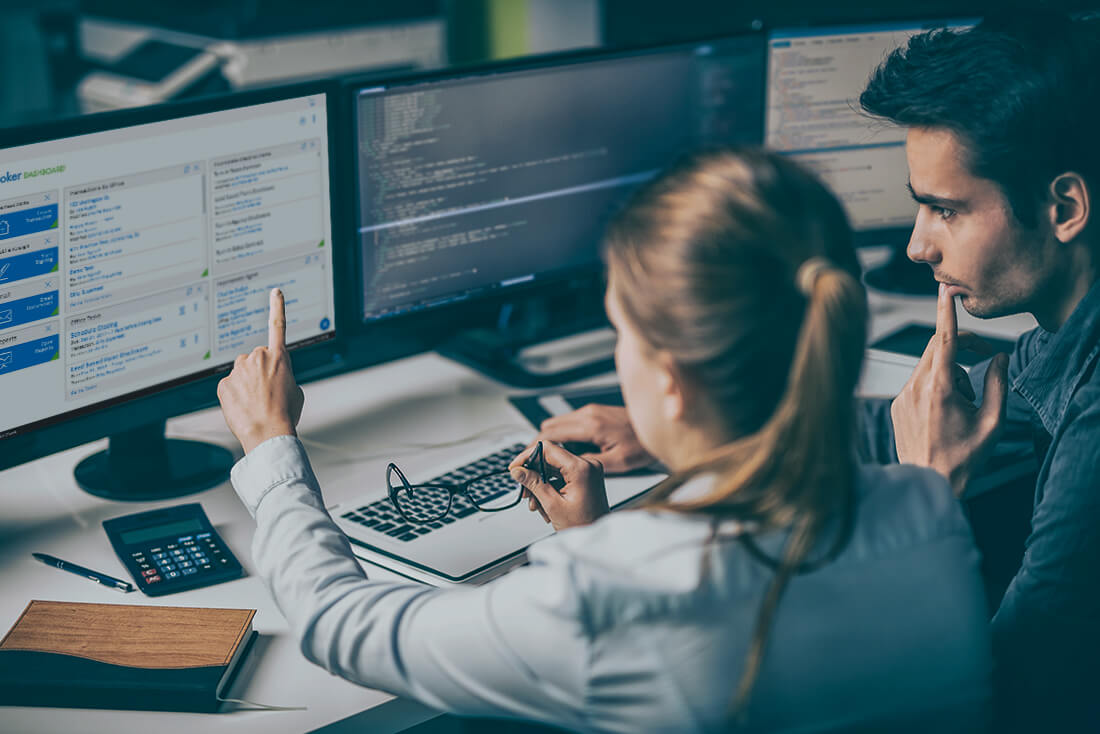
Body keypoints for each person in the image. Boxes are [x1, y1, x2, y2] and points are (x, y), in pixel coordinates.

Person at [217, 149, 991, 732]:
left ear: (672, 380)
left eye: (622, 330)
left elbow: (339, 626)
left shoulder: (614, 591)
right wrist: (590, 541)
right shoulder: (927, 503)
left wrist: (269, 443)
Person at [544, 13, 1100, 731]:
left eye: (944, 210)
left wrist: (927, 493)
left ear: (1063, 208)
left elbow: (1005, 696)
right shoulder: (1066, 341)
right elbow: (913, 418)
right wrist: (703, 428)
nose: (916, 246)